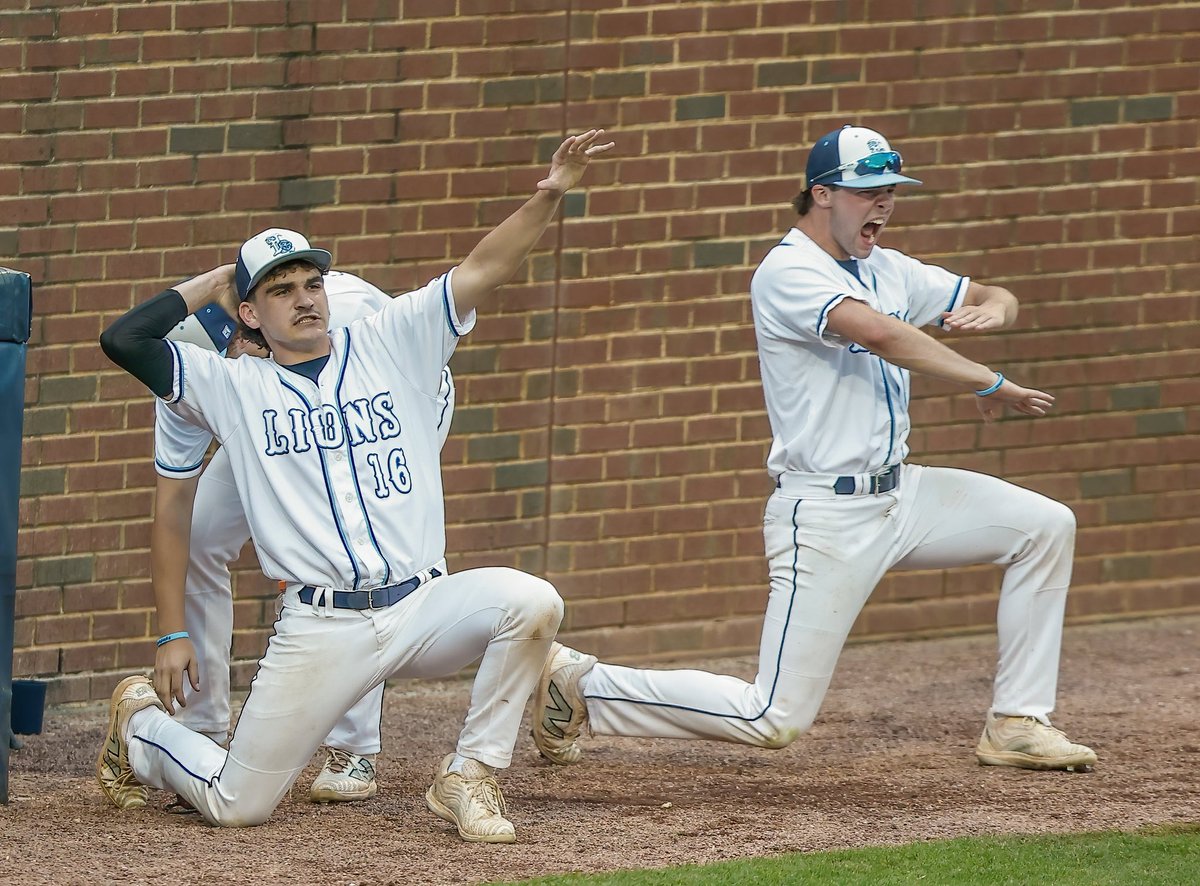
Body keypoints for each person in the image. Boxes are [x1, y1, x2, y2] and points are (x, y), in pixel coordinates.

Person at [97, 128, 614, 841]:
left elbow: (482, 268)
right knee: (236, 805)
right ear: (248, 313)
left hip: (421, 607)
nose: (304, 298)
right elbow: (123, 341)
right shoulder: (228, 387)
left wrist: (550, 196)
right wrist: (210, 286)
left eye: (311, 282)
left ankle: (470, 774)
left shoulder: (389, 339)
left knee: (531, 601)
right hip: (322, 628)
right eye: (280, 291)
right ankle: (144, 730)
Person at [532, 124, 1097, 775]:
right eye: (868, 190)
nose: (883, 203)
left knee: (1045, 526)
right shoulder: (788, 270)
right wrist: (987, 379)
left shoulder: (886, 266)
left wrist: (998, 310)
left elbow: (993, 294)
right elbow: (880, 333)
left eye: (889, 190)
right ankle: (581, 685)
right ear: (823, 193)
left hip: (902, 495)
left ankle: (1018, 722)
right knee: (771, 717)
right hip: (826, 513)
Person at [151, 275, 456, 808]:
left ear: (251, 321)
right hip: (272, 416)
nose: (235, 357)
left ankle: (353, 747)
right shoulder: (194, 378)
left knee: (347, 560)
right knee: (202, 537)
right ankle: (203, 726)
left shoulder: (341, 310)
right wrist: (169, 633)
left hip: (390, 408)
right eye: (223, 355)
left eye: (238, 347)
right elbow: (173, 512)